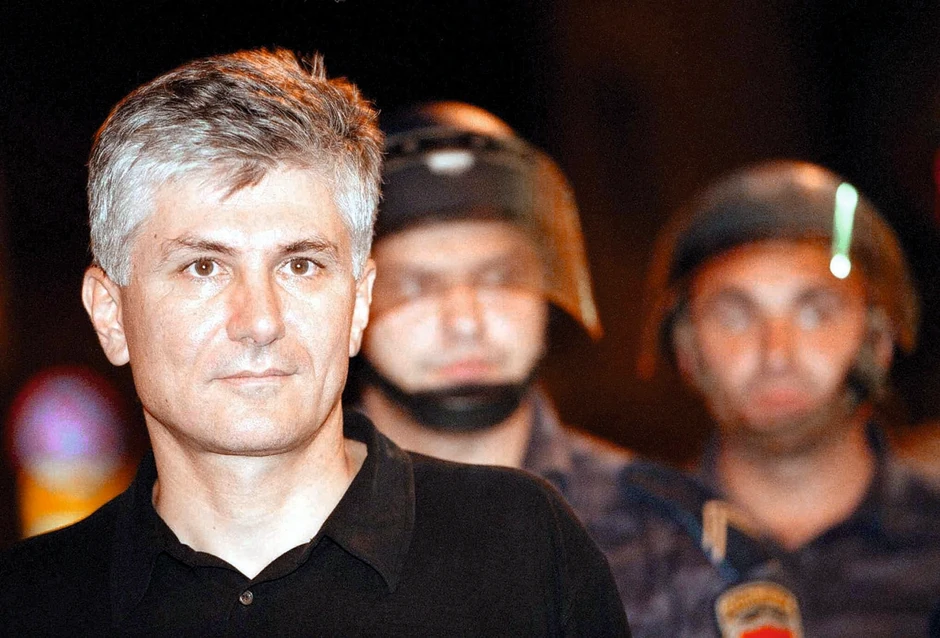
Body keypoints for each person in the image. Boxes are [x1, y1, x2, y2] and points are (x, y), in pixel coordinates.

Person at [0, 49, 629, 636]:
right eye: (203, 267)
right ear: (110, 315)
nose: (260, 321)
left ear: (360, 304)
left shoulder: (524, 549)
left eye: (300, 265)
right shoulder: (31, 602)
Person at [613, 159, 940, 637]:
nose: (776, 355)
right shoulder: (622, 561)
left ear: (878, 340)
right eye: (735, 315)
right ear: (686, 349)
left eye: (815, 313)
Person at [353, 101, 633, 543]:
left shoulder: (669, 536)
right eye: (414, 287)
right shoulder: (276, 524)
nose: (466, 322)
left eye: (500, 279)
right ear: (354, 303)